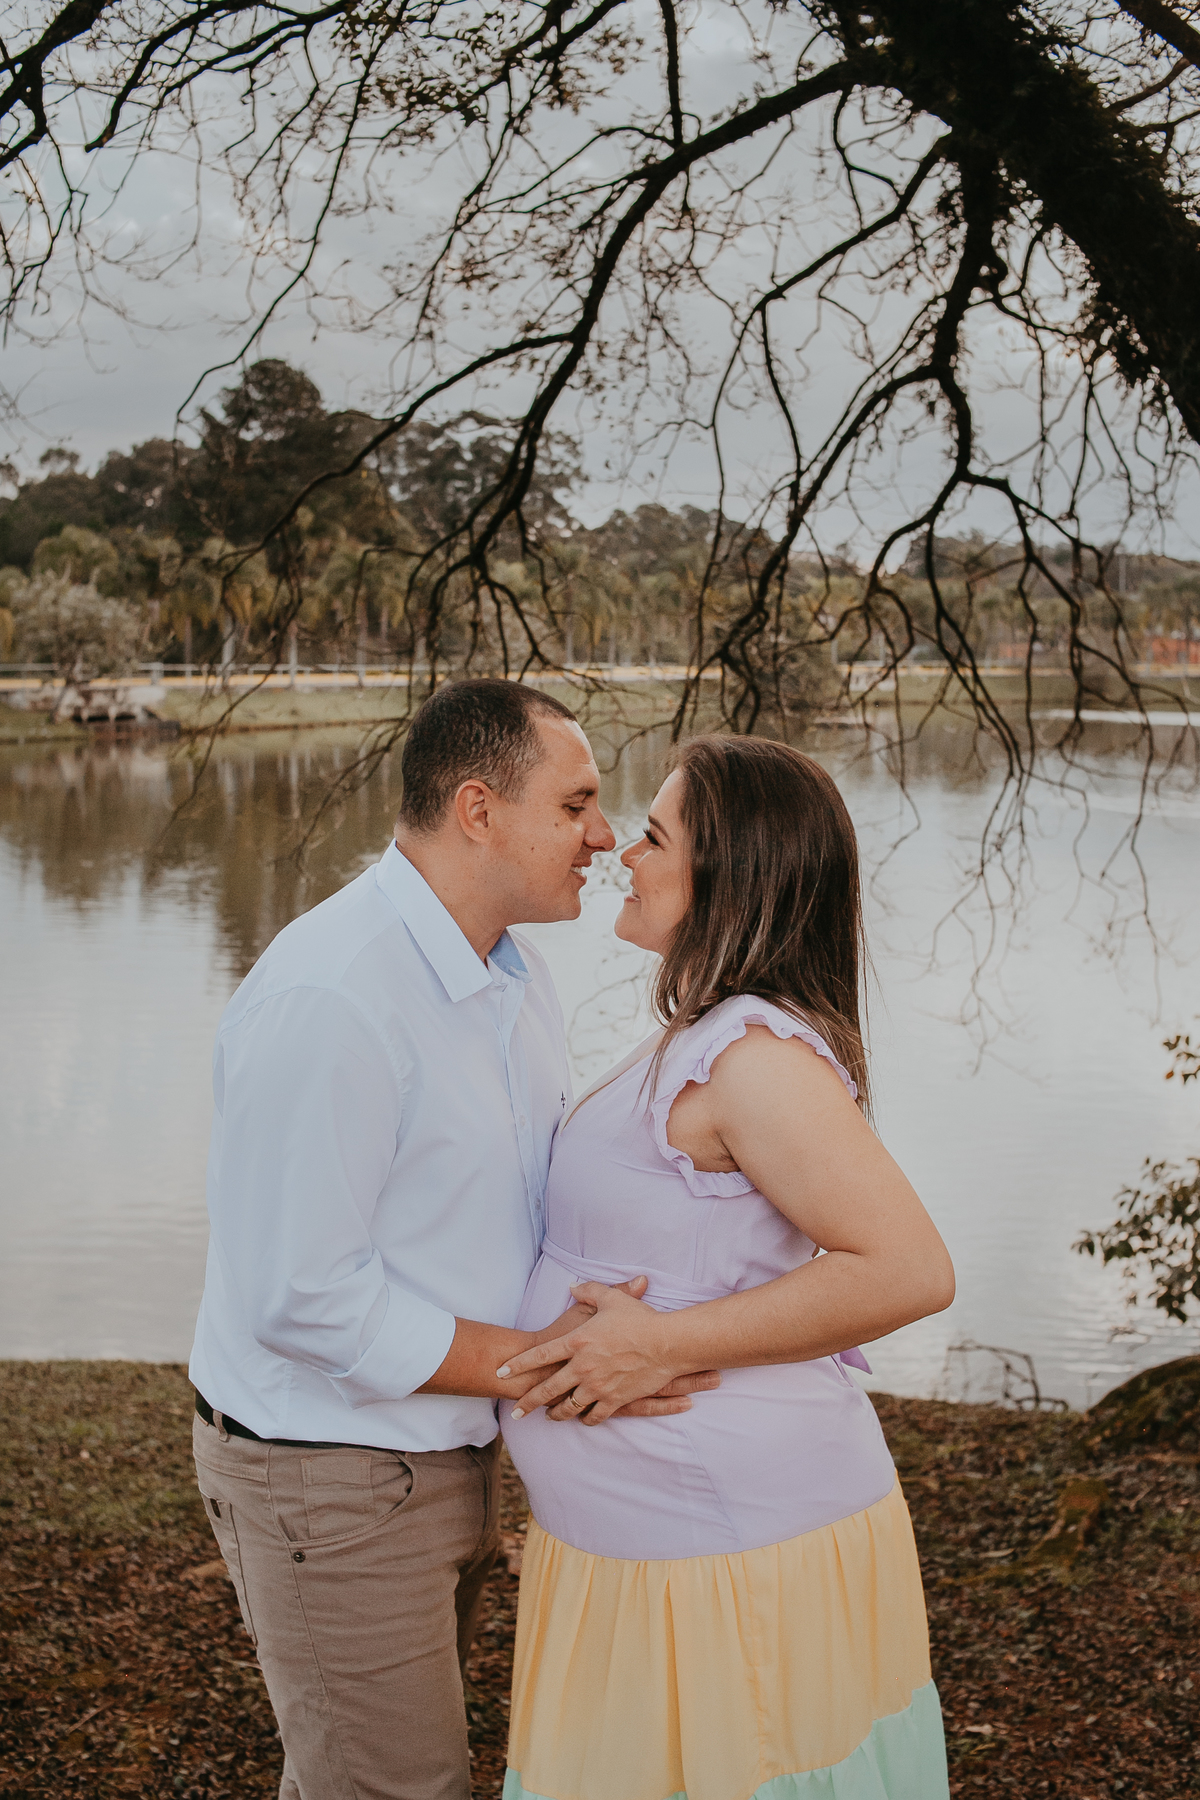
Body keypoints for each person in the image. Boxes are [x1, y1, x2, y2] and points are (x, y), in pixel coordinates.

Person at [189, 678, 717, 1800]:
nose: (604, 835)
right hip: (329, 1473)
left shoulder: (509, 979)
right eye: (576, 804)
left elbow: (496, 1217)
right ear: (479, 810)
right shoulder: (336, 996)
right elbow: (304, 1296)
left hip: (447, 1456)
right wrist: (555, 1367)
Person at [498, 735, 956, 1800]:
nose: (624, 852)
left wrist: (654, 1343)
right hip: (649, 1549)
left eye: (654, 835)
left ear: (733, 877)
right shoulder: (701, 1035)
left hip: (725, 1554)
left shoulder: (754, 1060)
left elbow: (909, 1270)